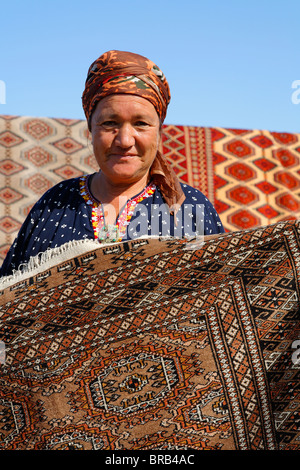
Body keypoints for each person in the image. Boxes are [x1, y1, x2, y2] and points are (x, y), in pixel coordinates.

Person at [0, 50, 224, 278]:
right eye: (109, 123)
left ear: (159, 131)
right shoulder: (54, 205)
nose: (125, 140)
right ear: (91, 129)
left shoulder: (192, 209)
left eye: (141, 123)